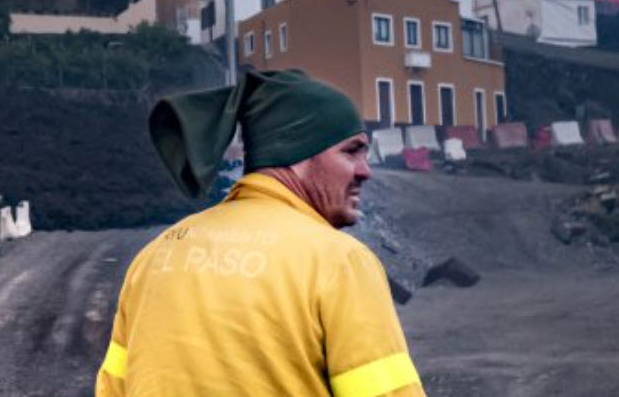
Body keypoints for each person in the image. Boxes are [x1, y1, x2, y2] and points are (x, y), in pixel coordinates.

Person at [95, 69, 425, 397]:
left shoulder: (155, 255)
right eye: (351, 151)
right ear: (297, 154)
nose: (365, 171)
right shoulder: (339, 261)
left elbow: (112, 389)